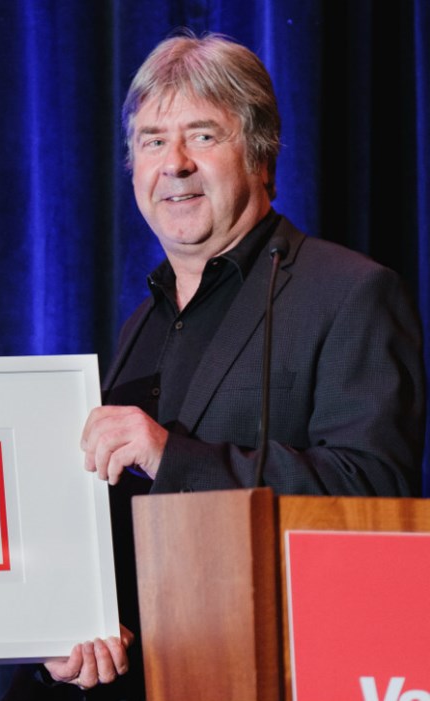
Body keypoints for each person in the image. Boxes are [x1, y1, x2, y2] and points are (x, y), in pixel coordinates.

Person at [70, 30, 426, 700]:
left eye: (202, 136)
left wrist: (173, 455)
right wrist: (77, 625)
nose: (173, 164)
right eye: (151, 140)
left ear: (260, 154)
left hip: (274, 670)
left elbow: (375, 493)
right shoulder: (140, 323)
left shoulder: (348, 292)